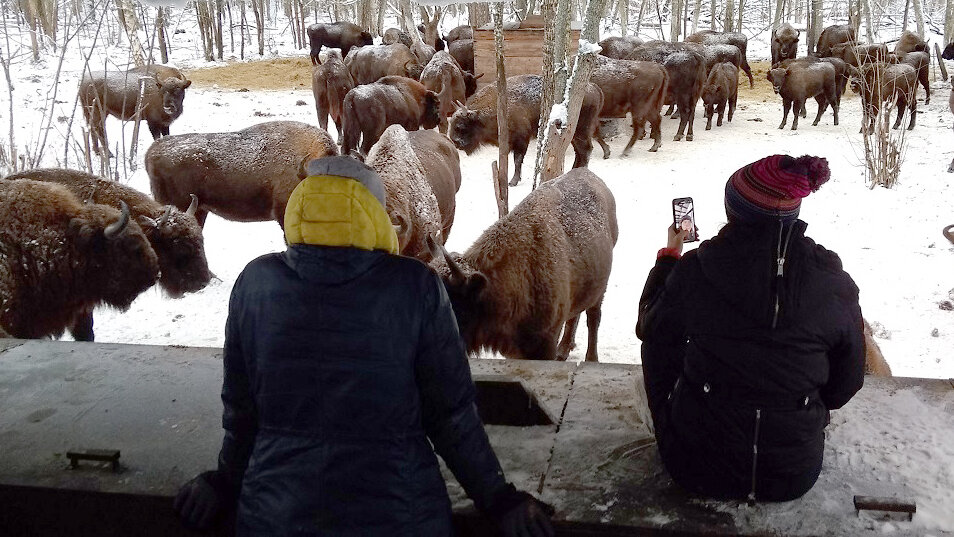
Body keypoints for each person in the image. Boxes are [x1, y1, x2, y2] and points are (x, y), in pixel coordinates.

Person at [174, 156, 554, 536]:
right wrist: (499, 500)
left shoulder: (255, 284)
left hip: (277, 516)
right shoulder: (415, 286)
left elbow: (242, 412)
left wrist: (224, 481)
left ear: (300, 207)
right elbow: (451, 417)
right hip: (399, 517)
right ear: (374, 215)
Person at [635, 154, 865, 502]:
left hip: (696, 469)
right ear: (793, 212)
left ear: (735, 212)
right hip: (793, 475)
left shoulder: (696, 271)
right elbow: (845, 385)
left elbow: (648, 326)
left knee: (658, 342)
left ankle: (671, 426)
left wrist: (670, 256)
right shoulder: (833, 283)